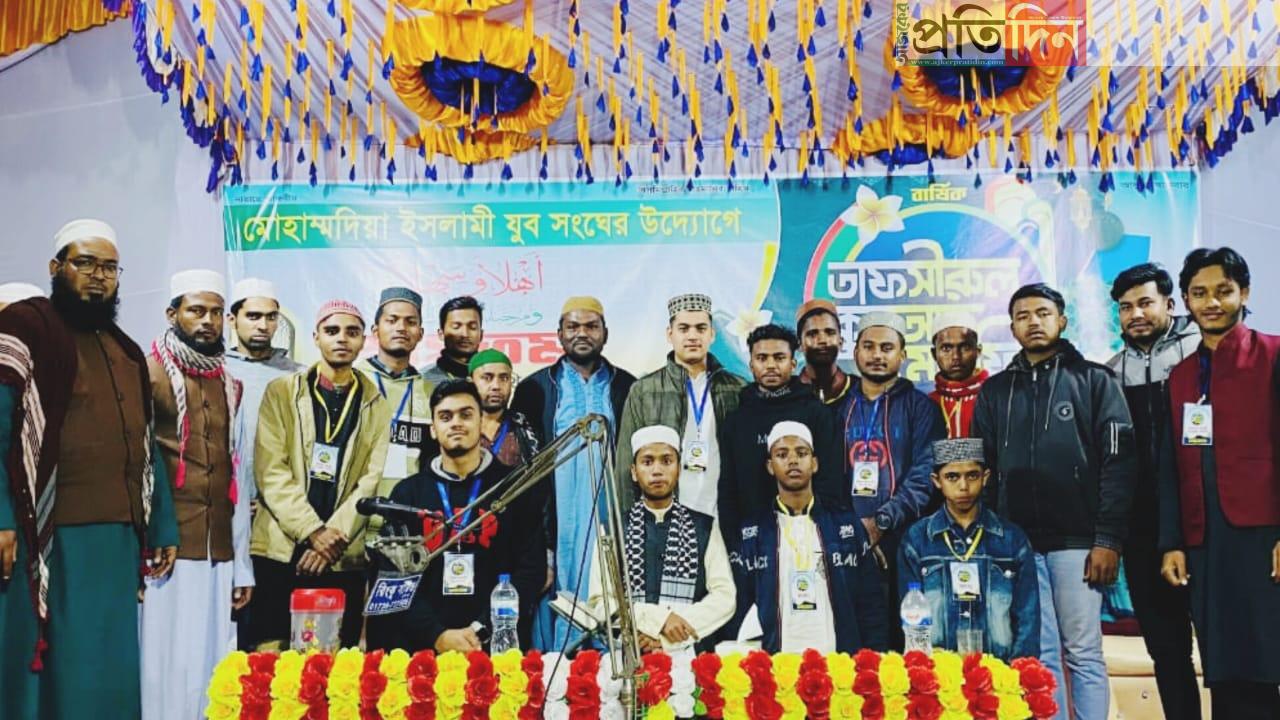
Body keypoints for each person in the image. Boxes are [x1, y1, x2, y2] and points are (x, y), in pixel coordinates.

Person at [4, 219, 178, 720]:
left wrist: (161, 524)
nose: (98, 276)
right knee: (62, 668)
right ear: (56, 267)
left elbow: (144, 444)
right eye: (85, 263)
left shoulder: (125, 350)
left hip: (117, 538)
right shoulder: (29, 332)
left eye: (109, 267)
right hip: (52, 535)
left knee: (111, 669)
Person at [972, 283, 1136, 720]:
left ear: (1062, 320)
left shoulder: (1095, 380)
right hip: (1017, 543)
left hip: (1078, 542)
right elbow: (983, 471)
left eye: (1043, 313)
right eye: (1022, 316)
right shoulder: (996, 391)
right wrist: (992, 538)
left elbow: (1119, 466)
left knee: (1083, 651)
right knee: (1040, 652)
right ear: (1012, 327)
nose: (1033, 322)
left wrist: (1108, 540)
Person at [1160, 248, 1280, 718]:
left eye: (1223, 291)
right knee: (1224, 664)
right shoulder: (1182, 376)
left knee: (1267, 657)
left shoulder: (1272, 355)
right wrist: (1172, 542)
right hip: (1206, 541)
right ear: (1186, 301)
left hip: (1263, 536)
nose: (1211, 302)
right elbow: (1170, 465)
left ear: (1244, 293)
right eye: (1199, 293)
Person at [246, 300, 391, 650]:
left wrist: (330, 541)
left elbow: (370, 480)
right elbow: (271, 470)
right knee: (270, 660)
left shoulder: (376, 402)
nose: (342, 338)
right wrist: (313, 531)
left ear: (363, 340)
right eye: (332, 331)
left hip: (340, 555)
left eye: (352, 332)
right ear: (316, 337)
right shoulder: (282, 392)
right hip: (281, 548)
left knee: (336, 665)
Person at [141, 270, 253, 720]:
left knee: (211, 664)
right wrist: (144, 540)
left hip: (217, 550)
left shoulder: (230, 383)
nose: (208, 321)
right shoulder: (146, 374)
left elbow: (237, 477)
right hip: (164, 550)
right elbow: (137, 465)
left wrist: (241, 565)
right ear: (172, 314)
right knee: (161, 664)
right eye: (196, 310)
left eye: (215, 312)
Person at [366, 381, 544, 652]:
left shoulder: (513, 488)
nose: (456, 423)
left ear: (481, 421)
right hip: (421, 650)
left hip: (494, 646)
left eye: (466, 414)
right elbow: (393, 577)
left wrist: (482, 629)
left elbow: (531, 571)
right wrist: (436, 635)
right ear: (433, 429)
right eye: (445, 416)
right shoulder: (408, 494)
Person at [510, 296, 636, 652]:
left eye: (591, 326)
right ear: (559, 334)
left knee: (609, 590)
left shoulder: (627, 387)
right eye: (573, 326)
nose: (582, 333)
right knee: (556, 597)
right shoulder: (534, 389)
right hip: (555, 523)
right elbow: (525, 472)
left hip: (610, 518)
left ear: (605, 333)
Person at [1104, 263, 1201, 720]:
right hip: (1143, 527)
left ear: (1170, 303)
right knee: (1166, 648)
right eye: (1126, 307)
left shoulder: (1201, 354)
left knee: (1227, 643)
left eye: (1145, 303)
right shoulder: (1110, 374)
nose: (1136, 314)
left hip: (1205, 519)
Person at [729, 421, 888, 654]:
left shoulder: (845, 524)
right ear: (770, 466)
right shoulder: (753, 531)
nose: (793, 460)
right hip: (775, 663)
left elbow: (871, 603)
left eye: (801, 453)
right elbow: (739, 605)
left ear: (814, 463)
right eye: (782, 454)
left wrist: (875, 657)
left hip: (838, 662)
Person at [837, 310, 946, 640]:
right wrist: (855, 530)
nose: (877, 355)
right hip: (848, 540)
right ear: (855, 352)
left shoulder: (921, 407)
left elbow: (925, 475)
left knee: (906, 636)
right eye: (868, 346)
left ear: (902, 354)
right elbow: (827, 476)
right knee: (852, 639)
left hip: (905, 539)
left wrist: (881, 522)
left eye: (886, 348)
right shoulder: (838, 408)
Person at [587, 425, 734, 656]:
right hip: (632, 653)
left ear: (679, 469)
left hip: (691, 656)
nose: (657, 470)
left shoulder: (704, 527)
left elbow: (725, 598)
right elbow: (600, 603)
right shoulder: (612, 530)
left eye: (666, 461)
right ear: (634, 472)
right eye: (647, 462)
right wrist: (659, 621)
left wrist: (670, 633)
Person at [898, 438, 1039, 661]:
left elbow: (1028, 619)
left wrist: (1019, 672)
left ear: (985, 477)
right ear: (936, 481)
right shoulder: (917, 539)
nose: (963, 486)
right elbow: (911, 622)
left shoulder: (1012, 540)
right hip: (938, 672)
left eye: (972, 476)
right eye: (952, 477)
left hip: (1000, 671)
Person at [224, 278, 302, 650]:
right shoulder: (217, 369)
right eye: (253, 316)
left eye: (270, 317)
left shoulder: (297, 375)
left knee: (271, 630)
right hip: (225, 517)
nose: (263, 325)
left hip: (278, 521)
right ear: (232, 319)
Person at [617, 293, 747, 516]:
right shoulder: (644, 391)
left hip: (723, 514)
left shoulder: (737, 389)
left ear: (712, 334)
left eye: (701, 328)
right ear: (670, 334)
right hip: (665, 515)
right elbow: (625, 465)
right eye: (684, 329)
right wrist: (629, 521)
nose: (692, 336)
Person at [718, 323, 844, 549]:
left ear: (793, 364)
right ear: (751, 364)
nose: (770, 365)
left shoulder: (817, 414)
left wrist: (824, 534)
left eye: (779, 358)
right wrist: (734, 545)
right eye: (762, 358)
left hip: (810, 537)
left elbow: (831, 481)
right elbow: (728, 489)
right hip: (752, 541)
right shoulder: (736, 421)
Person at [358, 287, 433, 537]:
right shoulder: (354, 380)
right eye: (392, 320)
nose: (401, 328)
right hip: (353, 523)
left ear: (420, 333)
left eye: (410, 322)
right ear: (375, 330)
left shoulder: (430, 392)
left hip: (409, 528)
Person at [469, 349, 538, 467]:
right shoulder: (456, 426)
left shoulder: (525, 426)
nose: (496, 386)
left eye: (504, 378)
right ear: (471, 383)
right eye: (487, 378)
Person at [928, 313, 989, 438]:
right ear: (934, 354)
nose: (956, 356)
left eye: (965, 347)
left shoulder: (995, 397)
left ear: (978, 351)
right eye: (946, 349)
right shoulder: (926, 404)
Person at [795, 299, 853, 406]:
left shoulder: (860, 390)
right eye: (812, 334)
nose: (822, 340)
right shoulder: (787, 393)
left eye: (830, 333)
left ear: (841, 342)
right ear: (799, 344)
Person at [422, 296, 483, 384]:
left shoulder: (495, 378)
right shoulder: (422, 380)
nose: (465, 334)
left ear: (481, 334)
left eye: (472, 327)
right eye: (456, 327)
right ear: (441, 334)